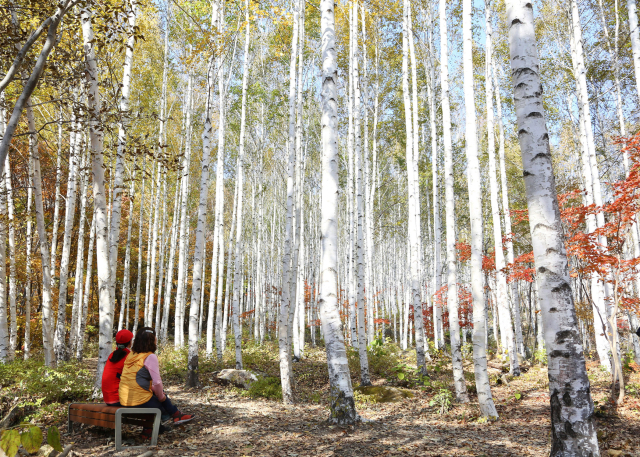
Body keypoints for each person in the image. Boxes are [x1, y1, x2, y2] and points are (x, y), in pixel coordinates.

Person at [119, 327, 194, 439]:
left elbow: (137, 381)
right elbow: (157, 382)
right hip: (139, 401)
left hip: (124, 399)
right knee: (161, 403)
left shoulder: (131, 355)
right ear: (153, 340)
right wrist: (162, 397)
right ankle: (175, 415)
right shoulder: (150, 357)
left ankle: (148, 431)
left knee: (155, 394)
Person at [102, 329, 134, 406]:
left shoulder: (112, 355)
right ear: (130, 343)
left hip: (107, 398)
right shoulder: (129, 356)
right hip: (118, 399)